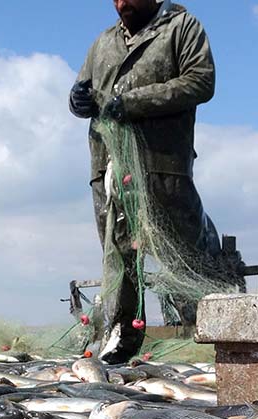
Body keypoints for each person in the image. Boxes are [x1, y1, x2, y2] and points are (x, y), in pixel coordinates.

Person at [70, 0, 233, 364]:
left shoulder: (182, 27)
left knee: (183, 254)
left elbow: (200, 81)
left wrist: (132, 102)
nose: (121, 4)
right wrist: (76, 100)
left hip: (162, 166)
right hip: (108, 167)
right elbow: (84, 89)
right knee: (119, 254)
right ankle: (123, 340)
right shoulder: (102, 42)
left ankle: (204, 341)